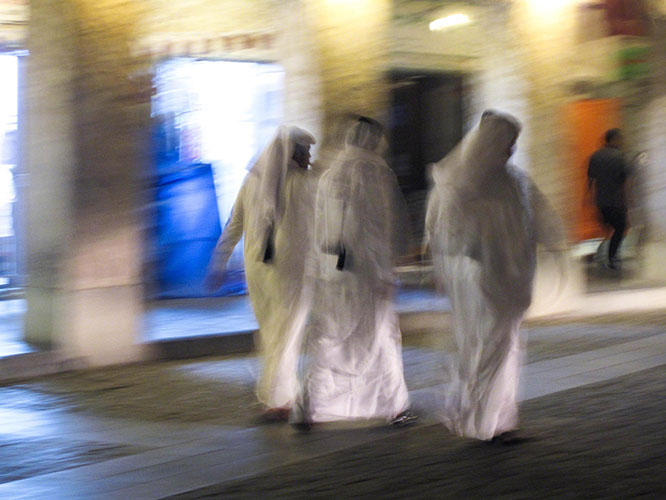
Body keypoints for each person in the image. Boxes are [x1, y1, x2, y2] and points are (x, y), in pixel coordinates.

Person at [425, 110, 566, 444]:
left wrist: (555, 250)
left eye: (513, 143)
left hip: (511, 279)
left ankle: (496, 419)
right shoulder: (457, 184)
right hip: (479, 281)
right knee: (487, 348)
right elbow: (442, 233)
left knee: (504, 348)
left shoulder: (514, 180)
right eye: (507, 142)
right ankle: (482, 420)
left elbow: (542, 217)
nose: (511, 150)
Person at [295, 116, 414, 427]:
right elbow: (379, 227)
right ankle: (392, 406)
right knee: (380, 338)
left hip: (334, 273)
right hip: (367, 274)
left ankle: (313, 406)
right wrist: (387, 270)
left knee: (333, 338)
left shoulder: (331, 175)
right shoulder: (375, 173)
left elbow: (318, 230)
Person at [206, 125, 317, 422]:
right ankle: (277, 400)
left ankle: (279, 395)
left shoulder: (252, 181)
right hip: (291, 272)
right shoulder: (302, 184)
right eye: (306, 152)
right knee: (285, 334)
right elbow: (319, 228)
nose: (309, 158)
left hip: (258, 272)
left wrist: (219, 262)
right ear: (292, 153)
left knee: (273, 333)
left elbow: (234, 224)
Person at [587, 128, 631, 270]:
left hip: (601, 200)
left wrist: (589, 197)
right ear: (614, 139)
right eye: (620, 138)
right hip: (616, 201)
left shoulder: (596, 156)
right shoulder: (620, 156)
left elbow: (590, 179)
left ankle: (602, 256)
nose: (621, 141)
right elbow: (627, 181)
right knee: (620, 227)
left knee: (608, 229)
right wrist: (629, 199)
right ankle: (611, 257)